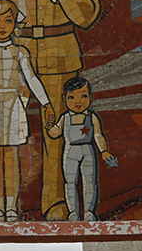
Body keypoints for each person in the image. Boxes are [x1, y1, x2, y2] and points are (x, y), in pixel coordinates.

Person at [0, 0, 101, 220]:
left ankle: (55, 204)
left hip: (60, 49)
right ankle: (8, 204)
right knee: (9, 131)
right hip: (18, 53)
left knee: (57, 130)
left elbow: (87, 16)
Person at [0, 0, 55, 221]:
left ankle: (11, 207)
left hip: (13, 105)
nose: (2, 26)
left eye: (8, 20)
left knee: (11, 158)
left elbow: (31, 79)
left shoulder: (20, 52)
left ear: (15, 23)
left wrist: (46, 103)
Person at [45, 76, 117, 221]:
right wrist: (49, 125)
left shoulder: (92, 117)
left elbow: (98, 135)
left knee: (89, 181)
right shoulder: (65, 118)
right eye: (72, 97)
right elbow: (55, 132)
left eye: (83, 96)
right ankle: (73, 212)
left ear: (90, 97)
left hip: (88, 151)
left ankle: (89, 212)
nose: (78, 102)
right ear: (64, 98)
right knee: (70, 181)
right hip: (70, 151)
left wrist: (104, 150)